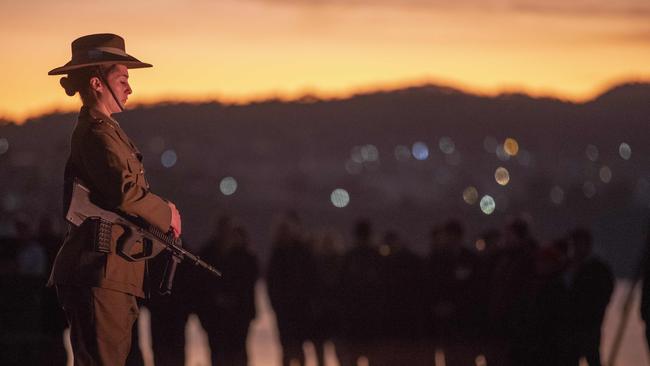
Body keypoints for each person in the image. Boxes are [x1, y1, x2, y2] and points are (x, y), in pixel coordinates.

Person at [47, 33, 182, 366]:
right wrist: (167, 215)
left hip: (113, 272)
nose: (129, 87)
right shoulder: (96, 133)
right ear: (97, 82)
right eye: (122, 78)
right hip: (100, 271)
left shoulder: (107, 131)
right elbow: (124, 192)